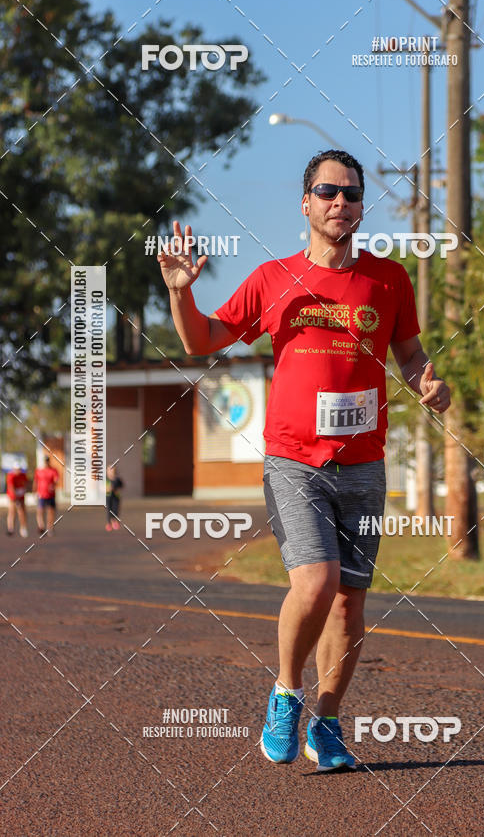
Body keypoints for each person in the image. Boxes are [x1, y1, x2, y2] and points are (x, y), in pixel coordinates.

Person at [157, 149, 451, 771]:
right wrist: (182, 293)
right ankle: (285, 695)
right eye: (327, 192)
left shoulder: (389, 280)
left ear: (362, 205)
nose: (340, 202)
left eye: (351, 193)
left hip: (364, 463)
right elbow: (200, 340)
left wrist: (429, 382)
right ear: (305, 204)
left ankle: (328, 723)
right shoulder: (273, 279)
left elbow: (411, 355)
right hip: (294, 460)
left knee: (349, 602)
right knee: (315, 581)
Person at [33, 456, 59, 537]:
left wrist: (53, 485)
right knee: (40, 511)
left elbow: (56, 480)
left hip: (50, 494)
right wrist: (34, 492)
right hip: (41, 494)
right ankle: (41, 526)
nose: (46, 462)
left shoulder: (53, 470)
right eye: (45, 461)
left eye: (47, 461)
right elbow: (35, 482)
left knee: (50, 512)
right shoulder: (39, 471)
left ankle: (49, 528)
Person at [6, 461, 29, 538]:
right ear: (14, 469)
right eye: (16, 469)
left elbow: (25, 484)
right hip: (13, 496)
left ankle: (23, 528)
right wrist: (16, 498)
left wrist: (23, 492)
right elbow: (11, 487)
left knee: (21, 512)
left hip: (21, 495)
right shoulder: (10, 476)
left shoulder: (23, 475)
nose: (18, 471)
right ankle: (10, 528)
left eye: (19, 469)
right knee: (12, 511)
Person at [106, 465, 124, 531]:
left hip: (116, 497)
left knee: (115, 509)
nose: (111, 472)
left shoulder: (117, 479)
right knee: (109, 510)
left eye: (112, 471)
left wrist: (117, 489)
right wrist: (106, 489)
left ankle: (115, 521)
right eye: (109, 470)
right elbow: (101, 487)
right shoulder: (106, 480)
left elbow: (121, 486)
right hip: (108, 497)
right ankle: (109, 523)